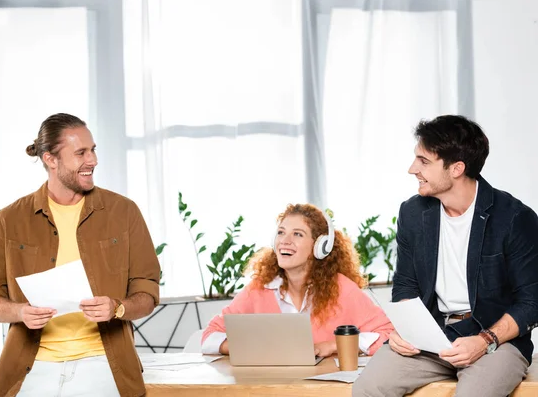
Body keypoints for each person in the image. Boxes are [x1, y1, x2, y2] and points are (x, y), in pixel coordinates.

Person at [0, 113, 160, 397]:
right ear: (51, 159)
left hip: (103, 365)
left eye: (93, 150)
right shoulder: (9, 219)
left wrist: (117, 307)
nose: (93, 161)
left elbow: (147, 291)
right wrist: (19, 312)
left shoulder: (124, 212)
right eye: (81, 153)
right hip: (31, 368)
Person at [353, 115, 538, 397]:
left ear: (457, 168)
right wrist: (405, 329)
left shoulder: (514, 218)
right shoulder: (413, 213)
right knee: (368, 388)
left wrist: (485, 339)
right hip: (430, 337)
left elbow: (532, 301)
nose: (412, 169)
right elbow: (405, 284)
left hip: (495, 342)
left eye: (424, 161)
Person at [201, 203, 394, 357]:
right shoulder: (259, 288)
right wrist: (252, 349)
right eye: (281, 232)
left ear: (320, 246)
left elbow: (388, 334)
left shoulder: (341, 289)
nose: (285, 240)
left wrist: (334, 345)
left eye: (297, 234)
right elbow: (211, 335)